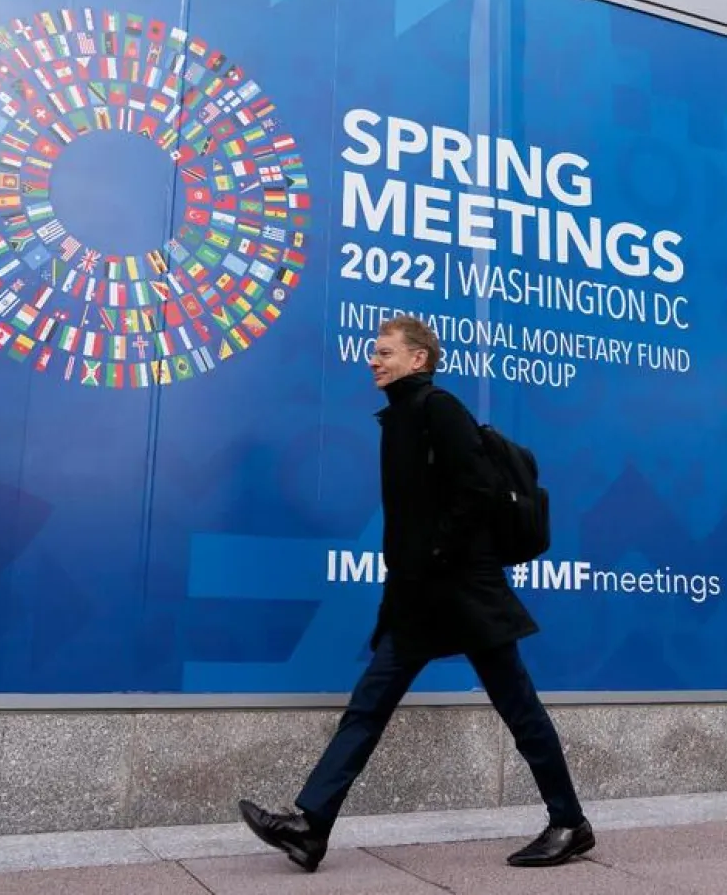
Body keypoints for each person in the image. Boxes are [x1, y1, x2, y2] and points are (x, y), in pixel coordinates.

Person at [237, 316, 593, 873]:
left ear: (418, 359)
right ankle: (311, 827)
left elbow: (475, 489)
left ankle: (569, 822)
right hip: (419, 597)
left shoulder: (438, 409)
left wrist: (432, 555)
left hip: (464, 592)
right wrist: (406, 578)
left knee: (518, 707)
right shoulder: (399, 418)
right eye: (373, 352)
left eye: (384, 352)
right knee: (367, 707)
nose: (373, 360)